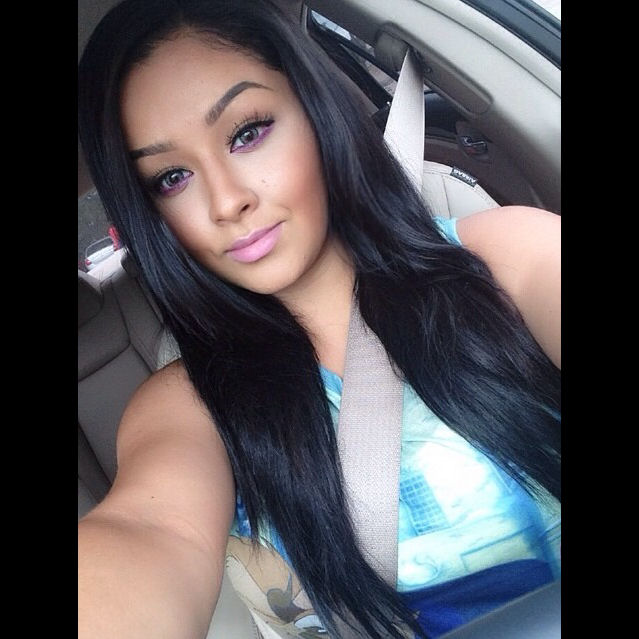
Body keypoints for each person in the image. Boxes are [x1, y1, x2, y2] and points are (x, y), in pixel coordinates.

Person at [77, 1, 560, 638]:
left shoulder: (508, 259)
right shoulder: (185, 405)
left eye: (247, 133)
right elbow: (149, 528)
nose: (226, 201)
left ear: (315, 108)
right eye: (171, 177)